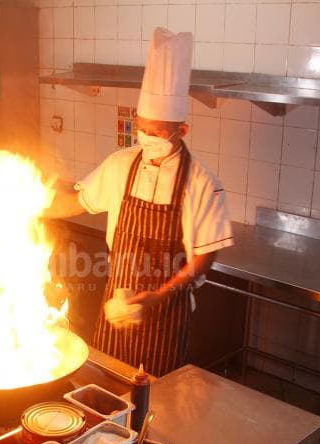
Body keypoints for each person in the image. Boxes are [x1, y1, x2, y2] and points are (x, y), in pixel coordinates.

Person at [45, 27, 233, 376]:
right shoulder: (121, 164)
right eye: (142, 128)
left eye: (157, 132)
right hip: (116, 304)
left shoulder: (202, 183)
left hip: (166, 314)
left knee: (156, 398)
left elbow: (206, 256)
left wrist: (157, 297)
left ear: (183, 131)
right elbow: (78, 200)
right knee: (107, 388)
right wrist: (27, 204)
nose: (146, 138)